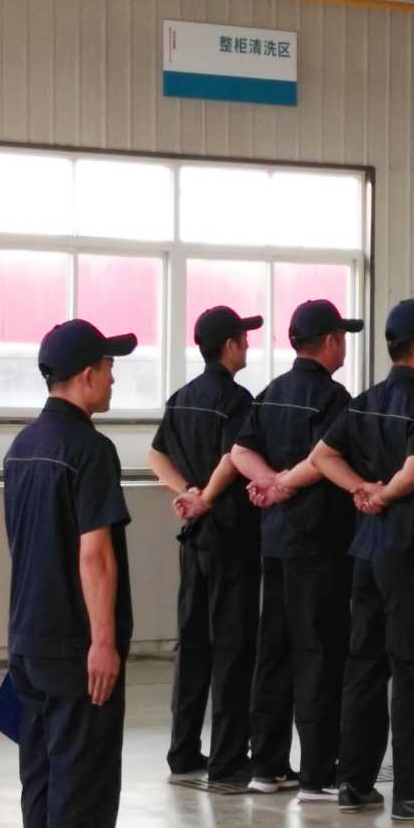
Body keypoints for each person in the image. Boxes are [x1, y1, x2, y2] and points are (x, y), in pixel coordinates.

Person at [4, 319, 140, 828]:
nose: (113, 378)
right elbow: (95, 554)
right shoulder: (90, 450)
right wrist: (103, 640)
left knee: (41, 776)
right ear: (86, 375)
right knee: (83, 778)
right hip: (76, 648)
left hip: (27, 641)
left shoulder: (22, 446)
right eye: (109, 367)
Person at [310, 299, 414, 821]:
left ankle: (354, 782)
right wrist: (383, 493)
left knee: (365, 666)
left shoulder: (364, 402)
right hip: (409, 553)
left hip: (366, 552)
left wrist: (360, 489)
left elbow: (322, 456)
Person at [230, 300, 363, 801]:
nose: (343, 347)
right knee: (319, 653)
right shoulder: (334, 398)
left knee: (274, 651)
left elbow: (240, 450)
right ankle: (317, 773)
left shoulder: (270, 393)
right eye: (341, 338)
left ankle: (266, 766)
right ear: (329, 342)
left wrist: (269, 482)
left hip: (275, 540)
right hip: (319, 543)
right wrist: (284, 483)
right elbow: (324, 458)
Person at [147, 305, 261, 787]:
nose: (248, 345)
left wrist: (187, 494)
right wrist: (207, 498)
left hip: (194, 540)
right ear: (229, 345)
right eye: (244, 338)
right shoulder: (237, 400)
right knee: (232, 646)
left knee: (193, 643)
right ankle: (229, 758)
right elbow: (234, 457)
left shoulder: (181, 398)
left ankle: (183, 750)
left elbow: (155, 454)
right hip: (230, 536)